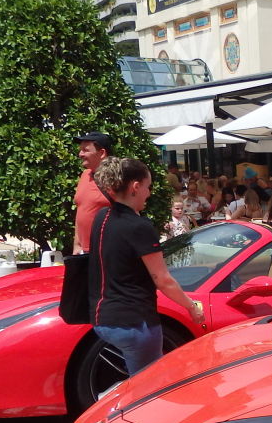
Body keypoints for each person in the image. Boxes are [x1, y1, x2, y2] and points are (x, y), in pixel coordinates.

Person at [87, 157, 204, 375]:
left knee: (136, 382)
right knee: (148, 388)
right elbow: (163, 279)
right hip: (134, 323)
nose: (149, 194)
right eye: (148, 187)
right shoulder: (139, 227)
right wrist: (191, 306)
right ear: (136, 187)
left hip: (102, 319)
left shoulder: (102, 216)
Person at [73, 132, 112, 254]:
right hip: (85, 252)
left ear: (102, 153)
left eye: (85, 150)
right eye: (80, 150)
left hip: (108, 251)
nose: (80, 154)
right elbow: (81, 212)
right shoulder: (85, 175)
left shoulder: (115, 179)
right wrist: (77, 245)